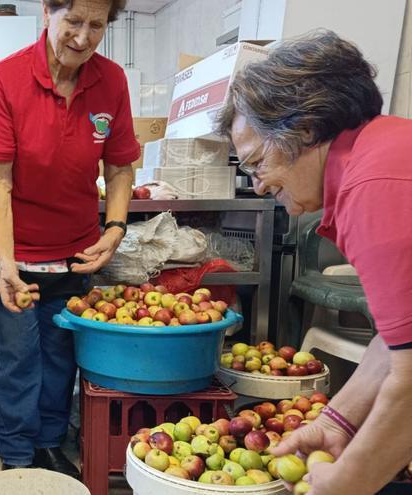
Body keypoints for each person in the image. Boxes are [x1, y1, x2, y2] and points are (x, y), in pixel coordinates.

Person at [215, 30, 412, 495]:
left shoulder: (375, 185)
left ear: (304, 128)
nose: (259, 186)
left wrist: (345, 483)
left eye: (257, 163)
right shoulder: (382, 151)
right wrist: (337, 422)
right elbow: (400, 339)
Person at [0, 0, 138, 476]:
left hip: (75, 248)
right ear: (48, 11)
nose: (83, 38)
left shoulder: (111, 81)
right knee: (17, 356)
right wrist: (5, 265)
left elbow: (121, 166)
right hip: (12, 248)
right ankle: (18, 455)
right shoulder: (4, 78)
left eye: (97, 26)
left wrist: (115, 228)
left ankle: (49, 443)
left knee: (61, 353)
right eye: (73, 22)